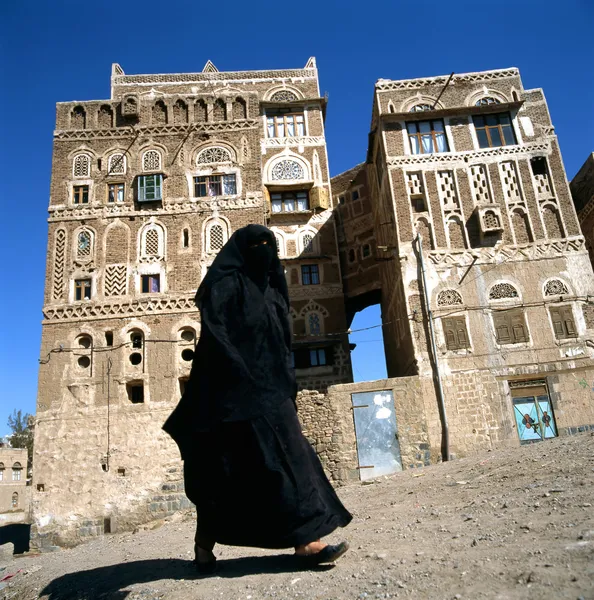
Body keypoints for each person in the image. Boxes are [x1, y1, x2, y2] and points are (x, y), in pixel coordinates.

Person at [163, 224, 352, 573]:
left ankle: (307, 541)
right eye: (256, 245)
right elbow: (217, 339)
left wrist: (286, 385)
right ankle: (204, 546)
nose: (264, 251)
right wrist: (240, 375)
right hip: (232, 396)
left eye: (269, 244)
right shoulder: (225, 286)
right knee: (224, 475)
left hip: (273, 392)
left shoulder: (272, 287)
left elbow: (282, 343)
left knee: (293, 459)